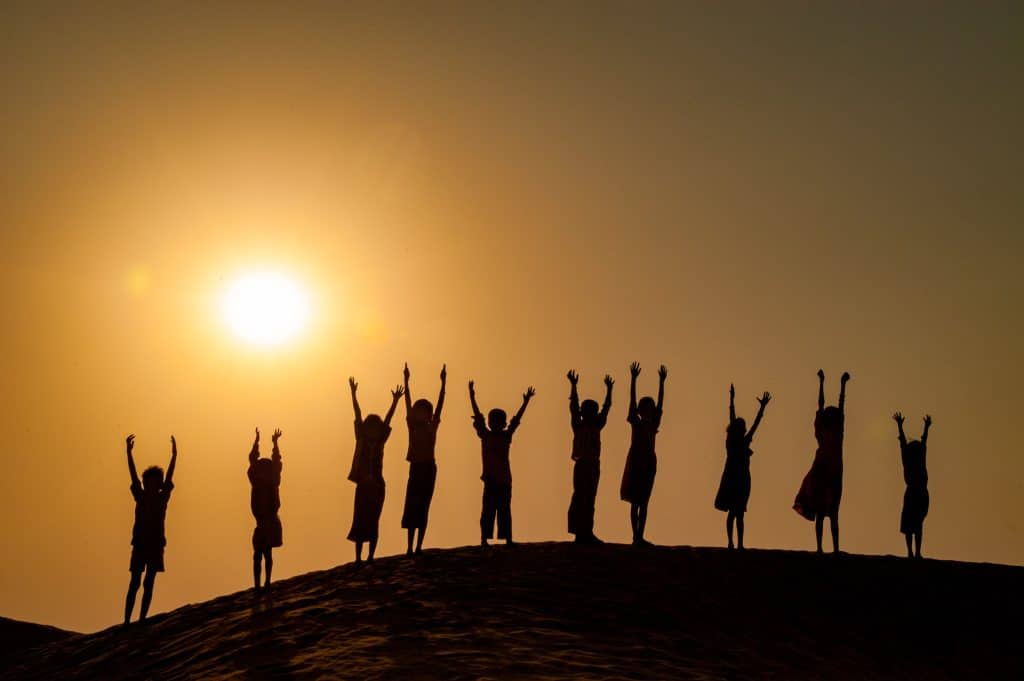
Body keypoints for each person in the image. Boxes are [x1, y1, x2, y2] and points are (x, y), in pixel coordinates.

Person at [469, 380, 535, 547]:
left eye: (499, 421)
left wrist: (525, 402)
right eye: (493, 421)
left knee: (504, 511)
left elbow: (516, 421)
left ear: (503, 424)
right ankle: (484, 539)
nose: (496, 424)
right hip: (491, 481)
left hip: (504, 481)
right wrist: (472, 397)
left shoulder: (505, 436)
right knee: (488, 512)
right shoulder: (486, 435)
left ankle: (507, 539)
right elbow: (478, 417)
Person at [793, 369, 850, 553]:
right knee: (825, 513)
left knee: (831, 514)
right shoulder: (828, 431)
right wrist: (823, 383)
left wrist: (841, 385)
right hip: (824, 471)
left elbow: (839, 405)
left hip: (832, 472)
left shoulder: (836, 430)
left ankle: (831, 548)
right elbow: (822, 405)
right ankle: (823, 548)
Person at [347, 377, 403, 563]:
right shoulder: (361, 440)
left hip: (378, 486)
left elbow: (388, 420)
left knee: (373, 521)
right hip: (363, 485)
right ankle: (358, 558)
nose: (373, 431)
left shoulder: (380, 442)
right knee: (359, 520)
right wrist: (354, 395)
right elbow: (357, 415)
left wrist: (395, 402)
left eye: (375, 428)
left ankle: (370, 556)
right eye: (370, 427)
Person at [123, 433, 177, 625]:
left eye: (153, 482)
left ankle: (142, 619)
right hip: (140, 544)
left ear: (158, 484)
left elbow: (170, 477)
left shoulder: (162, 498)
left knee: (148, 583)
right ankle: (127, 622)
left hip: (155, 546)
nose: (148, 485)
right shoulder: (140, 496)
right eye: (147, 482)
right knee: (135, 583)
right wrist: (128, 453)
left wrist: (174, 456)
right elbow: (133, 475)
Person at [714, 385, 771, 550]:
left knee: (738, 513)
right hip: (733, 479)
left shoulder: (740, 441)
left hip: (742, 479)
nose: (745, 429)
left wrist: (762, 408)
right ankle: (733, 543)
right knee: (735, 513)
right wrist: (732, 401)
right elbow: (740, 420)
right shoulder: (733, 442)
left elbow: (755, 424)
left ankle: (737, 543)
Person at [401, 362, 446, 555]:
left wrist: (443, 384)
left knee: (423, 506)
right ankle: (410, 547)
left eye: (423, 410)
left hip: (428, 467)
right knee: (411, 506)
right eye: (417, 409)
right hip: (416, 467)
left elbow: (441, 404)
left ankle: (419, 546)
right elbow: (407, 403)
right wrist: (406, 381)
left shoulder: (432, 425)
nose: (418, 412)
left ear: (428, 414)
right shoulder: (412, 425)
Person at [620, 362, 667, 546]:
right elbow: (631, 403)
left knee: (644, 502)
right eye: (645, 408)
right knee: (634, 502)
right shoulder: (636, 422)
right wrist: (633, 380)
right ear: (640, 410)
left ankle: (640, 535)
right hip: (636, 462)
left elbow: (661, 403)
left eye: (650, 408)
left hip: (648, 463)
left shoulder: (653, 424)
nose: (648, 411)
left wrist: (662, 382)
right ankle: (635, 536)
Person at [566, 370, 613, 544]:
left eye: (592, 410)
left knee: (590, 498)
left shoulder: (597, 425)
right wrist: (573, 386)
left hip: (593, 465)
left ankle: (587, 532)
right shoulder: (578, 425)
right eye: (588, 410)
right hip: (582, 464)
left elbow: (606, 409)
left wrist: (609, 391)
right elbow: (573, 407)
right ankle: (580, 533)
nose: (591, 413)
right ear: (583, 412)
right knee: (580, 497)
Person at [893, 411, 932, 558]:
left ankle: (914, 552)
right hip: (917, 493)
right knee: (914, 525)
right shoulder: (913, 458)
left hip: (918, 493)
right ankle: (913, 552)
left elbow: (906, 444)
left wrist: (900, 426)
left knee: (913, 525)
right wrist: (926, 427)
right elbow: (910, 443)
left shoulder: (912, 459)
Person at [248, 427, 283, 591]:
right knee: (258, 555)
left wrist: (275, 443)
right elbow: (252, 459)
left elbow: (276, 461)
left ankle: (267, 582)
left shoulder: (272, 480)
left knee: (266, 553)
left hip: (270, 521)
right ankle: (258, 585)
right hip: (260, 523)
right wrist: (257, 441)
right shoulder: (256, 479)